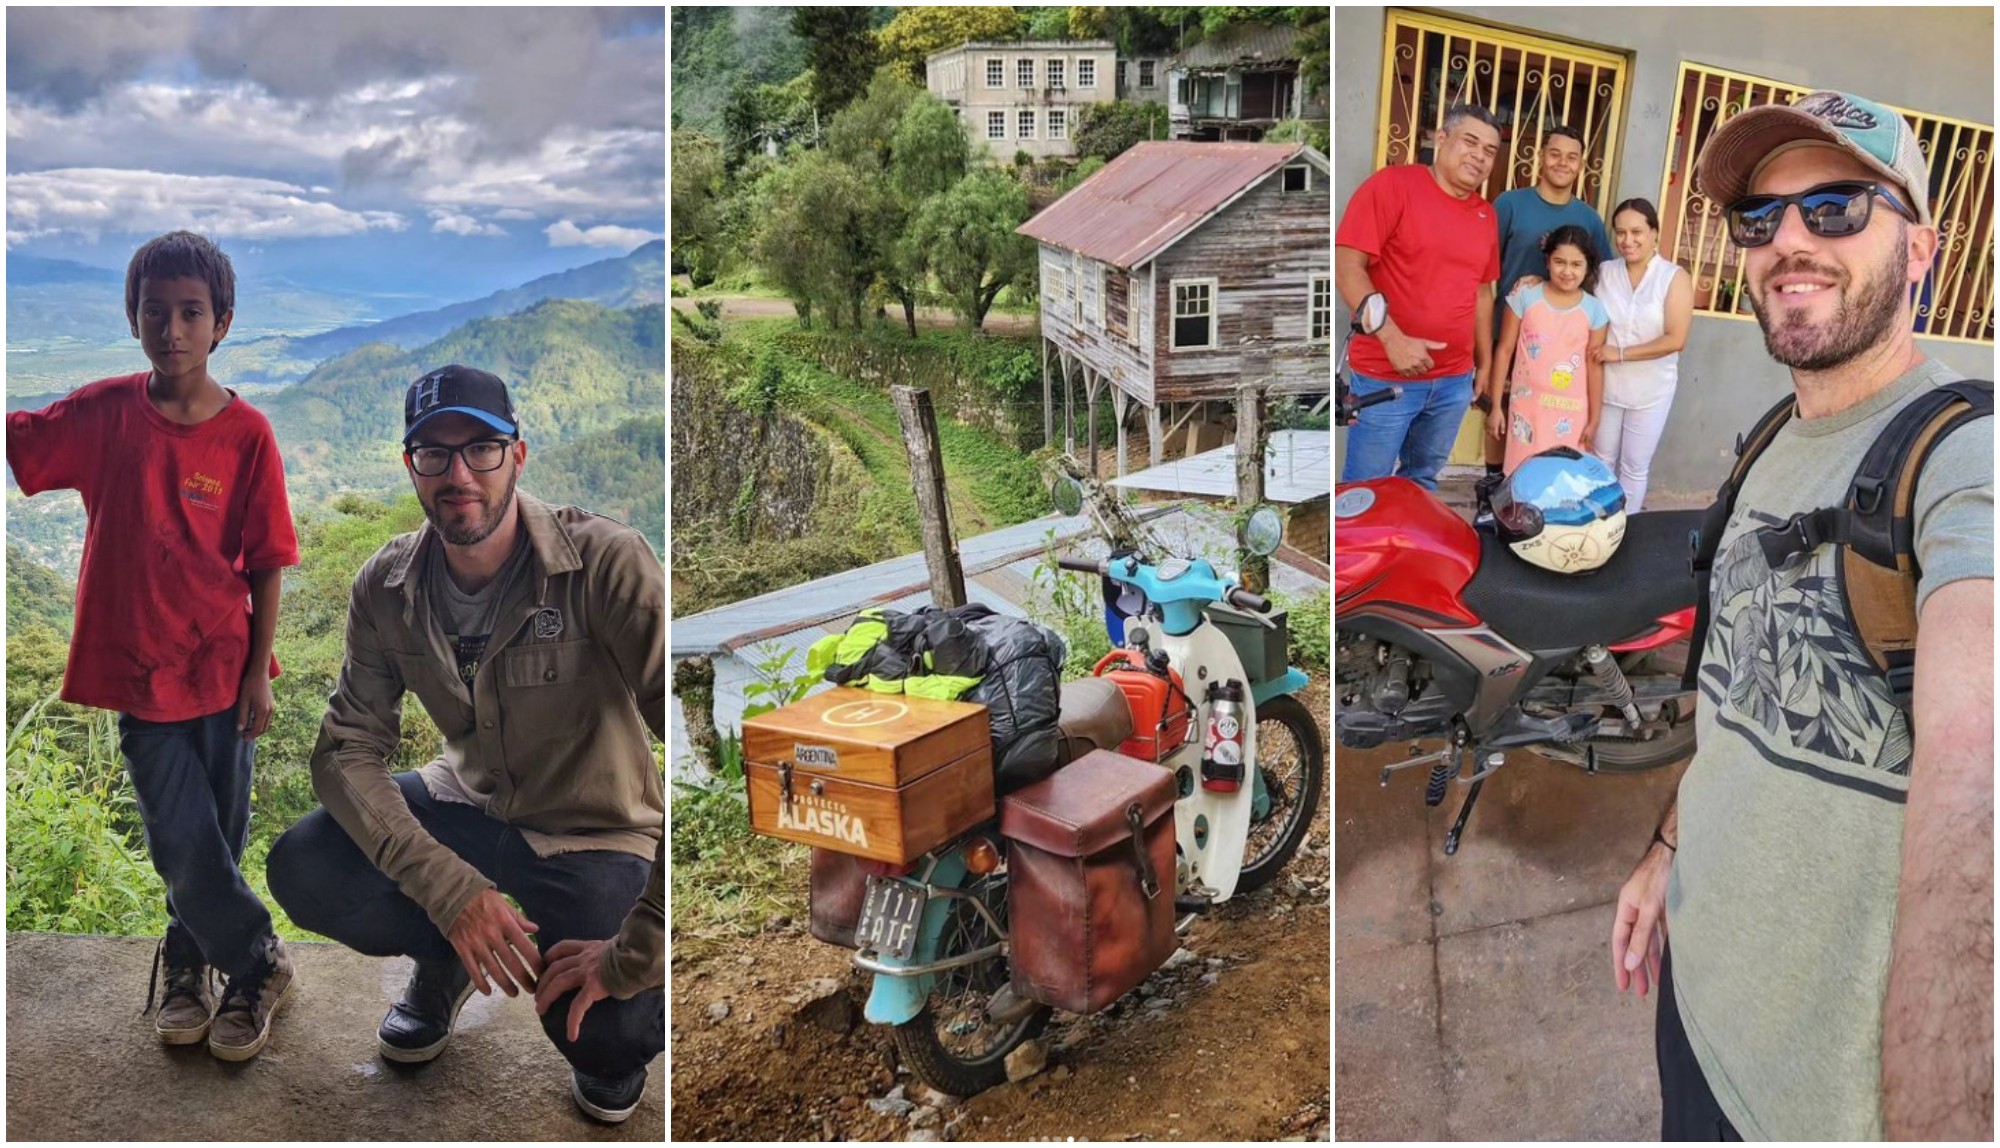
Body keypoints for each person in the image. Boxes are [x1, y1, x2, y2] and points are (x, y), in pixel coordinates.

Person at [1608, 91, 1992, 1140]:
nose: (1787, 241)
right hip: (1694, 1009)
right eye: (1757, 217)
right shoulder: (1769, 437)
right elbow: (1736, 693)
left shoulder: (1963, 468)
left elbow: (1974, 807)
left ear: (1920, 249)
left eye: (1834, 208)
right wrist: (1664, 847)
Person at [266, 366, 665, 1124]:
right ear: (410, 465)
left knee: (609, 1032)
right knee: (305, 866)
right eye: (434, 453)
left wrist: (633, 951)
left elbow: (699, 747)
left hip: (595, 831)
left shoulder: (605, 564)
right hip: (468, 798)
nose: (458, 474)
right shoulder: (387, 586)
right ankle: (447, 956)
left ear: (518, 455)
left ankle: (615, 1032)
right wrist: (448, 892)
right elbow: (346, 748)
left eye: (480, 448)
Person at [4, 230, 300, 1061]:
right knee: (179, 835)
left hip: (224, 670)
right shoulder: (104, 414)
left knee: (218, 838)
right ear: (132, 318)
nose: (172, 329)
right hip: (142, 675)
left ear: (223, 324)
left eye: (190, 313)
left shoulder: (248, 436)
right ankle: (258, 963)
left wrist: (258, 674)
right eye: (155, 312)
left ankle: (191, 964)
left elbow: (270, 559)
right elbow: (22, 440)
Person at [1335, 102, 1501, 489]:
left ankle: (1404, 551)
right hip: (1385, 377)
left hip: (1453, 382)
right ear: (1441, 138)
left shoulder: (1485, 215)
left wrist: (1485, 367)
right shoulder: (1392, 187)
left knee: (1421, 484)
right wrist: (1392, 339)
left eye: (1490, 150)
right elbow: (1347, 267)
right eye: (1470, 141)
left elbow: (1481, 294)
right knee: (1365, 491)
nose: (1479, 155)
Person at [1485, 124, 1615, 476]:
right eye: (1555, 153)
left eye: (1572, 157)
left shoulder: (1588, 219)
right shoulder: (1510, 204)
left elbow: (1602, 276)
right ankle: (1494, 486)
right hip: (1512, 330)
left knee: (1552, 419)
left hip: (1563, 342)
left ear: (1581, 165)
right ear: (1540, 156)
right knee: (1501, 414)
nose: (1563, 163)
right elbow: (1483, 268)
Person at [1589, 198, 1694, 511]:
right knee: (1601, 461)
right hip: (1606, 386)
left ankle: (1627, 529)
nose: (1627, 240)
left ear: (1654, 234)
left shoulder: (1673, 278)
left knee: (1634, 467)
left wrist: (1618, 352)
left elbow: (1675, 339)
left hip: (1652, 389)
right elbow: (1568, 288)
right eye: (1620, 233)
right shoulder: (1605, 272)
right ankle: (1599, 527)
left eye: (1636, 232)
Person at [1485, 224, 1609, 474]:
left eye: (1576, 265)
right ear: (1547, 261)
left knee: (1562, 480)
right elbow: (1504, 350)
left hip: (1570, 414)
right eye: (1559, 262)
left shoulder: (1595, 310)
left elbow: (1594, 367)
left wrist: (1594, 419)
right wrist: (1496, 406)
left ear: (1587, 266)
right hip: (1527, 412)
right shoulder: (1525, 297)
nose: (1567, 271)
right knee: (1521, 476)